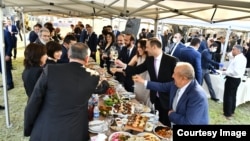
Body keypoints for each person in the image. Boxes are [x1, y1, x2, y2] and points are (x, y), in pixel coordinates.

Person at [24, 42, 100, 141]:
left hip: (46, 130)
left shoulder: (50, 70)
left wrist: (28, 128)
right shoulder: (94, 77)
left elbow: (34, 101)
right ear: (87, 59)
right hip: (75, 132)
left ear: (68, 55)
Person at [115, 37, 178, 127]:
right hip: (154, 98)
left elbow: (174, 82)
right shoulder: (150, 60)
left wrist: (144, 82)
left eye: (147, 47)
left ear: (154, 47)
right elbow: (137, 69)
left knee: (166, 125)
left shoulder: (172, 61)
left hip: (167, 99)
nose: (146, 49)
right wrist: (123, 65)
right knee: (157, 122)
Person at [133, 62, 209, 125]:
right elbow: (161, 86)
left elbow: (189, 123)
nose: (172, 76)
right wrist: (143, 81)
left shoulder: (197, 96)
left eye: (174, 74)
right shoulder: (176, 84)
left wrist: (171, 115)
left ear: (184, 78)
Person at [221, 45, 247, 120]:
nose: (232, 51)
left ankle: (227, 113)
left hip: (232, 79)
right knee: (232, 95)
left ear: (238, 51)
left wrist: (225, 72)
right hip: (236, 79)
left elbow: (235, 72)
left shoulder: (239, 59)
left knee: (228, 96)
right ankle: (231, 111)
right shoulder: (241, 58)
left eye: (233, 49)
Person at [1, 21, 14, 91]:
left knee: (6, 69)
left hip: (5, 55)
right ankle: (5, 82)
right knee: (1, 70)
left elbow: (10, 45)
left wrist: (8, 54)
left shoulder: (6, 33)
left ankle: (10, 84)